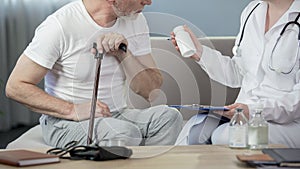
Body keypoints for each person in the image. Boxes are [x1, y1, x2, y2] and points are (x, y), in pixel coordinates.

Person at [5, 0, 183, 148]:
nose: (149, 1)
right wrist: (72, 109)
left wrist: (123, 54)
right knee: (124, 133)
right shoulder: (60, 25)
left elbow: (151, 89)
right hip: (64, 122)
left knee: (169, 118)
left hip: (117, 114)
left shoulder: (136, 20)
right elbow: (16, 86)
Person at [171, 0, 300, 148]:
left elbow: (296, 103)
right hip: (244, 114)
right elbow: (237, 74)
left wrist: (253, 110)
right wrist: (199, 53)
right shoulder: (253, 11)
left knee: (226, 136)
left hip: (288, 123)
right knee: (194, 128)